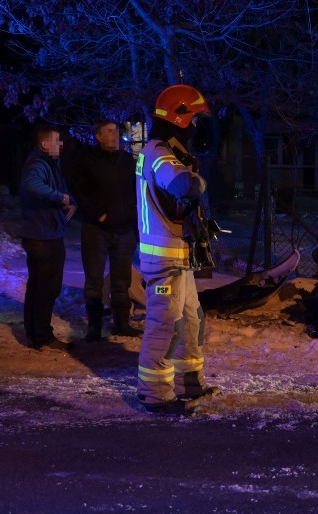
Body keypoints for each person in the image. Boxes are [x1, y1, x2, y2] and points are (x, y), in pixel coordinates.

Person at [135, 84, 221, 415]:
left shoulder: (166, 151)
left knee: (190, 321)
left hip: (178, 257)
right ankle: (155, 394)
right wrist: (198, 181)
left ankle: (190, 383)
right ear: (180, 118)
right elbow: (183, 185)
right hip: (164, 259)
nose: (199, 128)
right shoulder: (158, 153)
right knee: (165, 326)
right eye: (195, 120)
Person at [70, 119, 142, 341]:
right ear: (98, 136)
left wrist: (133, 218)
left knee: (122, 281)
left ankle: (121, 324)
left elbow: (136, 190)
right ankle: (94, 327)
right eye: (110, 132)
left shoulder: (127, 161)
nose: (115, 135)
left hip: (124, 230)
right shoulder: (86, 160)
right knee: (94, 281)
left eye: (116, 132)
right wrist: (96, 214)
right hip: (96, 230)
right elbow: (78, 190)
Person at [19, 124, 78, 351]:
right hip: (42, 236)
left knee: (38, 286)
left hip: (44, 233)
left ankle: (34, 334)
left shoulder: (50, 163)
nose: (60, 144)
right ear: (45, 144)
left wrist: (70, 201)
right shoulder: (38, 163)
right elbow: (31, 184)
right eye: (56, 140)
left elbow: (63, 190)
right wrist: (58, 197)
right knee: (46, 287)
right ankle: (42, 336)